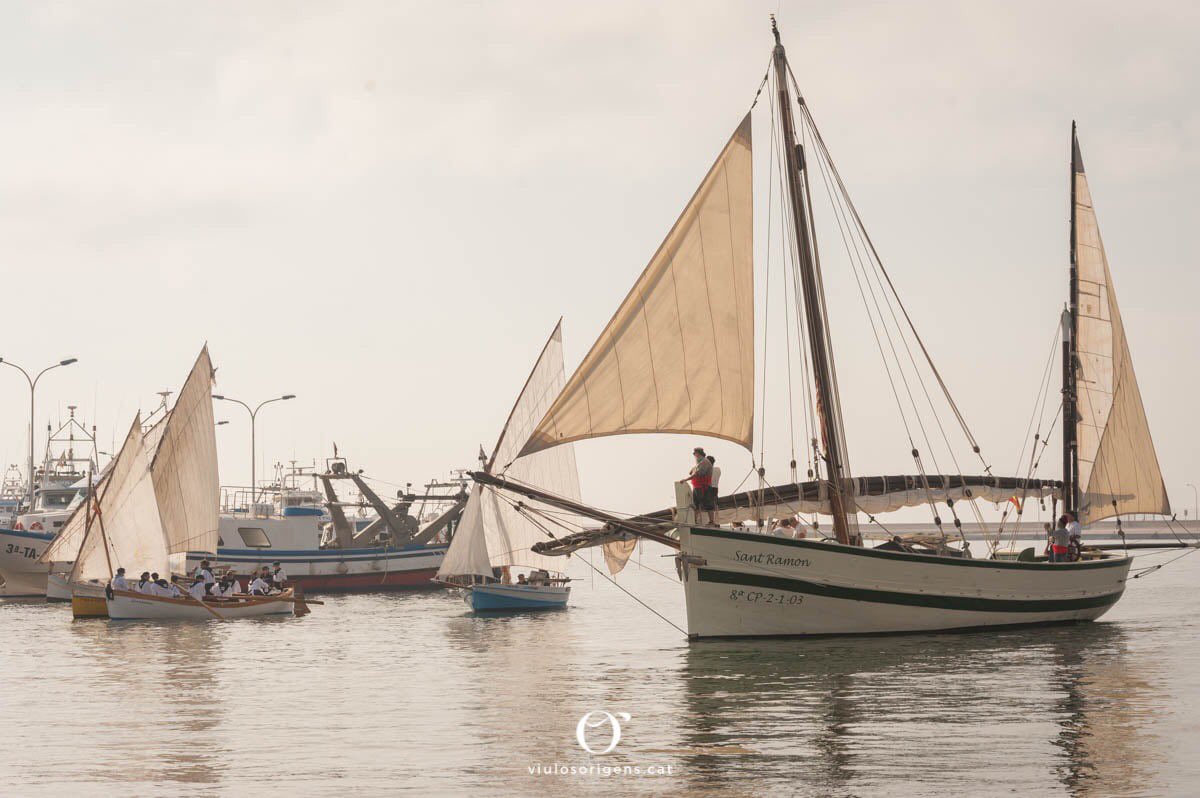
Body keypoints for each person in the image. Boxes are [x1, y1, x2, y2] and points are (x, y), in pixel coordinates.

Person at [679, 447, 716, 526]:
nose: (694, 456)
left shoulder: (705, 462)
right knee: (696, 504)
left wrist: (685, 480)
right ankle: (695, 521)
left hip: (703, 487)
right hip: (698, 487)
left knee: (707, 504)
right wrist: (695, 467)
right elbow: (691, 472)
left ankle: (711, 521)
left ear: (698, 454)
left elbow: (697, 474)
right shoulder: (700, 463)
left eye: (694, 454)